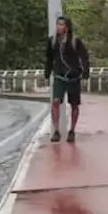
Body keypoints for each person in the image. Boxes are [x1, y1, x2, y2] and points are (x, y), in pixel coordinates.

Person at [45, 15, 90, 143]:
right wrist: (47, 72)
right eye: (57, 24)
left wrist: (85, 71)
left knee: (74, 105)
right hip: (59, 76)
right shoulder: (52, 41)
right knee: (55, 102)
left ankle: (72, 130)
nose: (59, 27)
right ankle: (56, 130)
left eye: (62, 25)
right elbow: (49, 58)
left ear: (67, 27)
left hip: (74, 78)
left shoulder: (76, 41)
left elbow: (84, 57)